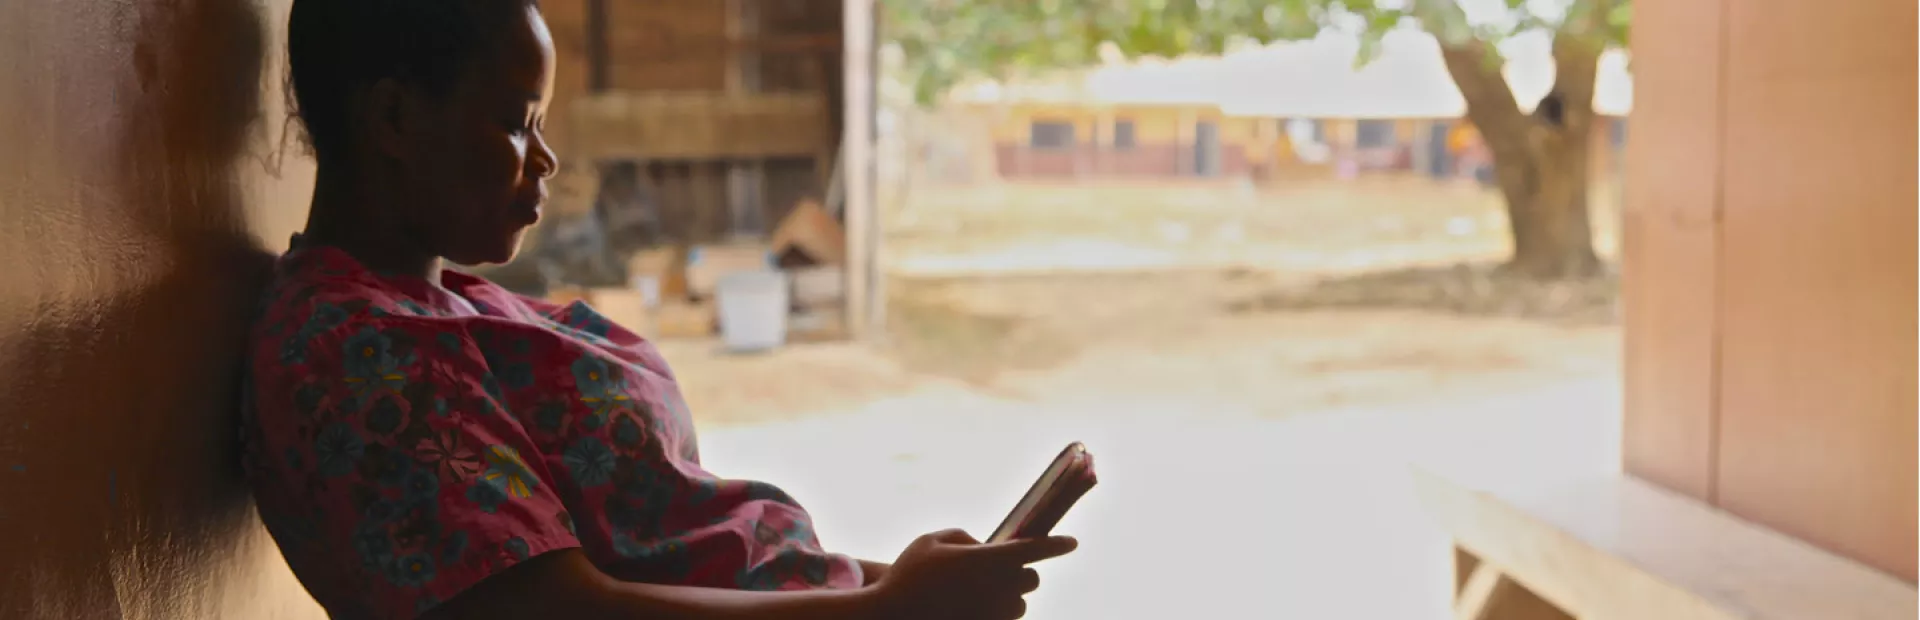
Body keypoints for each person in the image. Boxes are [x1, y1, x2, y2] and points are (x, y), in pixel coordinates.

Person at [239, 2, 1077, 619]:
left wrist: (900, 583)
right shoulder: (358, 357)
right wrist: (885, 610)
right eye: (517, 122)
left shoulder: (434, 307)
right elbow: (563, 613)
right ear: (393, 117)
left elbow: (671, 544)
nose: (547, 157)